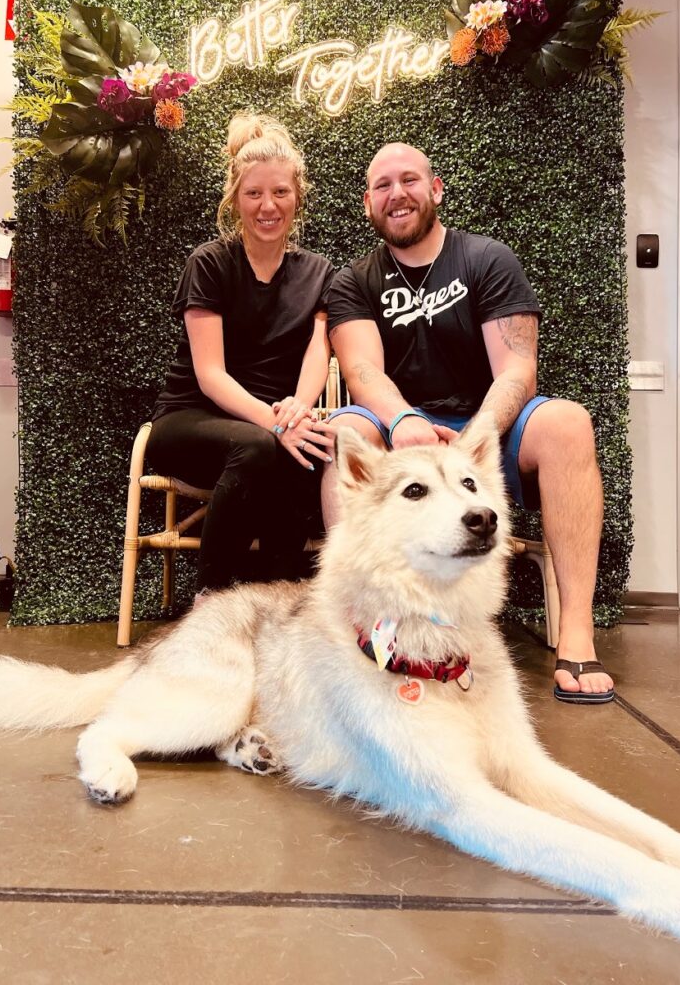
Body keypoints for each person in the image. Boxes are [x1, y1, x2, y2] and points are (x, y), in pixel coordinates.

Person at [321, 142, 614, 704]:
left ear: (435, 190)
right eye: (382, 185)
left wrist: (479, 433)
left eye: (409, 180)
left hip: (482, 435)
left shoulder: (486, 259)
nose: (396, 193)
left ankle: (577, 629)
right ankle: (359, 623)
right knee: (345, 429)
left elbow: (517, 368)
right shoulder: (354, 281)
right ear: (367, 203)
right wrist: (405, 417)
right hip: (401, 433)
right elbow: (361, 369)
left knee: (568, 424)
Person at [147, 113, 334, 593]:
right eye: (253, 194)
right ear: (235, 199)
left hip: (270, 428)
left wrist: (298, 409)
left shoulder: (318, 272)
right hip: (190, 420)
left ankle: (281, 604)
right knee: (262, 446)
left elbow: (319, 351)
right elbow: (210, 375)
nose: (267, 206)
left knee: (303, 450)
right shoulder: (209, 263)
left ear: (297, 197)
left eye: (280, 192)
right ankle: (210, 606)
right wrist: (275, 424)